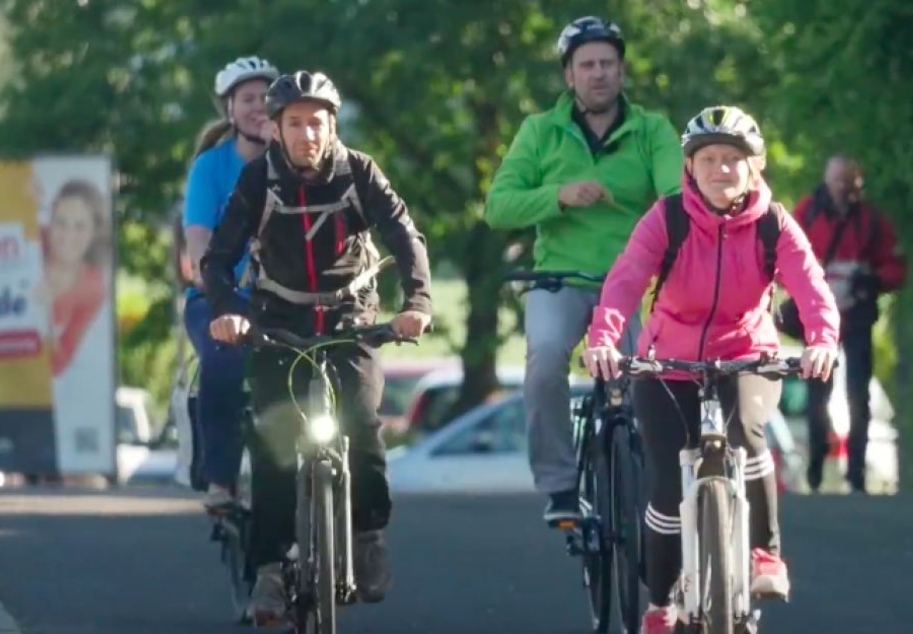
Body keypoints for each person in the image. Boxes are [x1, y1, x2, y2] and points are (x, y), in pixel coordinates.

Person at [582, 105, 840, 633]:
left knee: (746, 433)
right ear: (690, 167)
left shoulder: (774, 224)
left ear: (754, 168)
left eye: (732, 160)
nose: (721, 169)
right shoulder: (668, 217)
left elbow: (812, 288)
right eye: (709, 159)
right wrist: (604, 338)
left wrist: (822, 341)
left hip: (746, 354)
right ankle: (660, 602)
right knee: (664, 489)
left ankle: (764, 556)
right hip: (667, 361)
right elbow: (626, 279)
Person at [201, 70, 432, 624]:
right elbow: (217, 258)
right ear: (276, 129)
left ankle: (368, 533)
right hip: (278, 317)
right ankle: (272, 569)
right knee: (274, 447)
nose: (307, 134)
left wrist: (417, 303)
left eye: (317, 122)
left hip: (350, 315)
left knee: (362, 421)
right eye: (295, 123)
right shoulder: (258, 181)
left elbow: (404, 235)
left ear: (333, 125)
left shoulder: (359, 172)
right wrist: (226, 313)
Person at [484, 15, 683, 525]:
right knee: (545, 360)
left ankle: (661, 480)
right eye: (587, 65)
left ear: (622, 71)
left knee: (656, 370)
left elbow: (676, 199)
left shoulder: (652, 130)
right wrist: (559, 197)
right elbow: (498, 207)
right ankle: (560, 485)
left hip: (635, 283)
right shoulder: (539, 132)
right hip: (561, 279)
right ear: (569, 76)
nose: (599, 73)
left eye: (608, 64)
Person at [180, 55, 279, 510]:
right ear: (229, 110)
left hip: (284, 297)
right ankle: (221, 479)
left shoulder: (295, 161)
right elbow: (199, 242)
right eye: (248, 99)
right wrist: (218, 290)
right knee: (223, 358)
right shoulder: (211, 168)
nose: (259, 106)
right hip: (223, 295)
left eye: (266, 97)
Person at [790, 155, 907, 493]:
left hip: (857, 318)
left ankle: (855, 474)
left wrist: (871, 279)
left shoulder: (871, 221)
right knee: (817, 395)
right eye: (839, 180)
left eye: (851, 181)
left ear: (859, 184)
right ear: (828, 180)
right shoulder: (807, 213)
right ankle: (815, 468)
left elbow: (895, 265)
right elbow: (785, 256)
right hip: (816, 321)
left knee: (859, 395)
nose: (845, 188)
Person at [38, 180, 110, 377]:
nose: (67, 235)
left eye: (80, 226)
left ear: (94, 232)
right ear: (50, 222)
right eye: (61, 222)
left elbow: (59, 363)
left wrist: (38, 319)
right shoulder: (30, 243)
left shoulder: (92, 288)